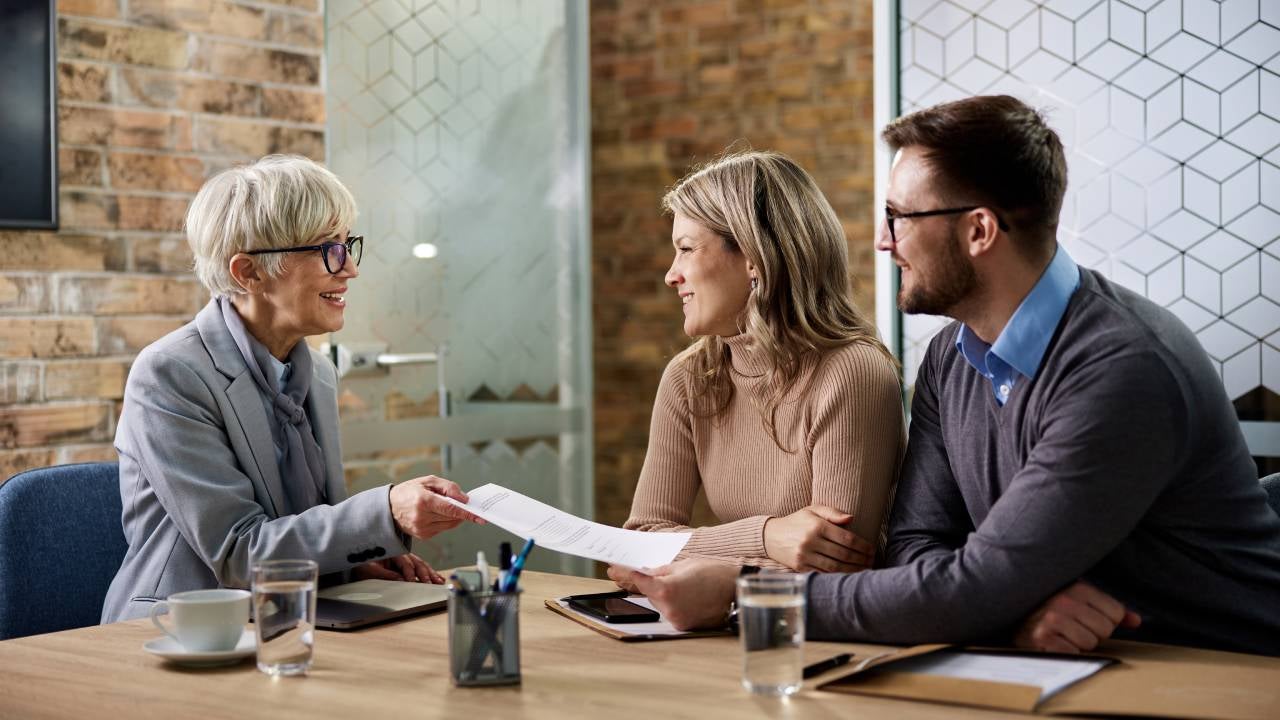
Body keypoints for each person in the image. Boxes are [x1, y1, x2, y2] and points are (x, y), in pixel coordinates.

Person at [631, 96, 1280, 657]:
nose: (884, 243)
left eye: (901, 219)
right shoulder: (950, 358)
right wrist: (997, 603)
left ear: (978, 230)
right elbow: (922, 545)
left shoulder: (1122, 368)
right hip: (1080, 664)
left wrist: (750, 596)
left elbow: (970, 585)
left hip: (1217, 670)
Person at [101, 155, 482, 623]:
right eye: (328, 250)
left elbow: (299, 524)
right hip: (184, 635)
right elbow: (241, 551)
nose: (350, 270)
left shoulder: (317, 374)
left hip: (295, 621)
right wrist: (384, 512)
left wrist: (359, 555)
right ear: (249, 273)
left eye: (348, 245)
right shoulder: (168, 375)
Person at [613, 151, 903, 584]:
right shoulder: (688, 378)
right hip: (721, 634)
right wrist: (768, 538)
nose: (672, 275)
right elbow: (633, 549)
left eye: (686, 249)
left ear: (753, 257)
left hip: (829, 639)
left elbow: (837, 571)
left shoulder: (853, 372)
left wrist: (697, 567)